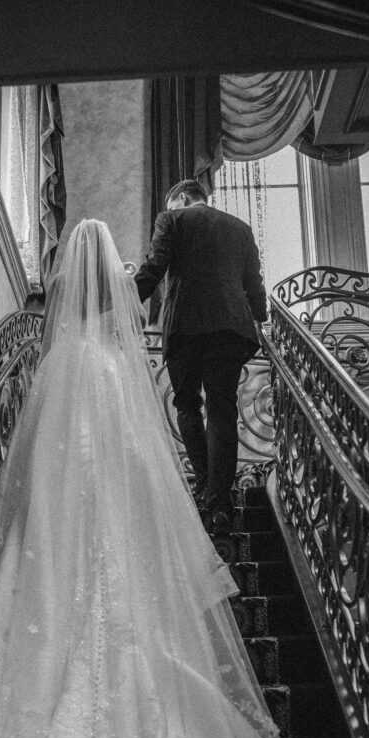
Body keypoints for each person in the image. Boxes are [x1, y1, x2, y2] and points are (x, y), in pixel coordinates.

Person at [0, 219, 317, 738]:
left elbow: (34, 476)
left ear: (59, 287)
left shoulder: (55, 368)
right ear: (110, 281)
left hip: (64, 530)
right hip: (144, 474)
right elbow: (141, 472)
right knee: (218, 412)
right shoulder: (117, 367)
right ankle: (218, 495)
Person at [135, 179, 268, 531]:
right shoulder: (240, 228)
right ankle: (221, 501)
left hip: (186, 326)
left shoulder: (172, 219)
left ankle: (206, 484)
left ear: (180, 198)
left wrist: (124, 297)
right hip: (230, 329)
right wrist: (263, 317)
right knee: (222, 408)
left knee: (187, 404)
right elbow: (253, 282)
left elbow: (155, 267)